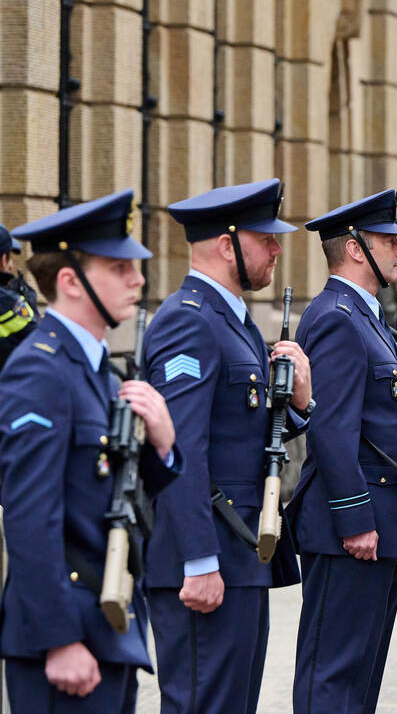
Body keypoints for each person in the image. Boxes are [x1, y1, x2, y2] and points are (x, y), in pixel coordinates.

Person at [0, 190, 181, 711]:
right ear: (70, 281)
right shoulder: (40, 369)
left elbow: (114, 488)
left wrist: (164, 447)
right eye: (119, 268)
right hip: (66, 637)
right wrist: (58, 638)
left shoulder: (99, 370)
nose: (138, 280)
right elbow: (29, 515)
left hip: (110, 623)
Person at [143, 179, 312, 714]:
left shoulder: (231, 319)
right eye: (266, 239)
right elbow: (179, 450)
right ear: (226, 244)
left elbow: (245, 432)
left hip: (239, 553)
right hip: (208, 556)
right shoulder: (188, 321)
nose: (277, 249)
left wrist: (300, 405)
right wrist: (198, 560)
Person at [289, 189, 397, 714]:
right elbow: (331, 430)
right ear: (356, 248)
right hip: (352, 528)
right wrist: (355, 519)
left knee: (362, 673)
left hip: (383, 519)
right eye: (388, 240)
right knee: (333, 673)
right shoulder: (337, 316)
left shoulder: (367, 314)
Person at [0, 222, 39, 369]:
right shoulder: (8, 303)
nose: (12, 266)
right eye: (10, 258)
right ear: (3, 260)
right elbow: (38, 340)